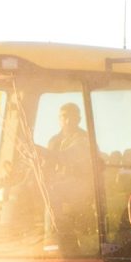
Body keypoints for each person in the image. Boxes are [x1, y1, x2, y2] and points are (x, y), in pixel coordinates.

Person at [42, 103, 95, 252]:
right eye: (63, 116)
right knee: (22, 187)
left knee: (52, 189)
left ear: (78, 119)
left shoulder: (85, 139)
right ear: (59, 119)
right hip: (59, 183)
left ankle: (53, 238)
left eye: (70, 116)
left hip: (81, 185)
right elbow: (47, 165)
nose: (67, 120)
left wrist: (41, 151)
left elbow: (68, 157)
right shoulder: (54, 141)